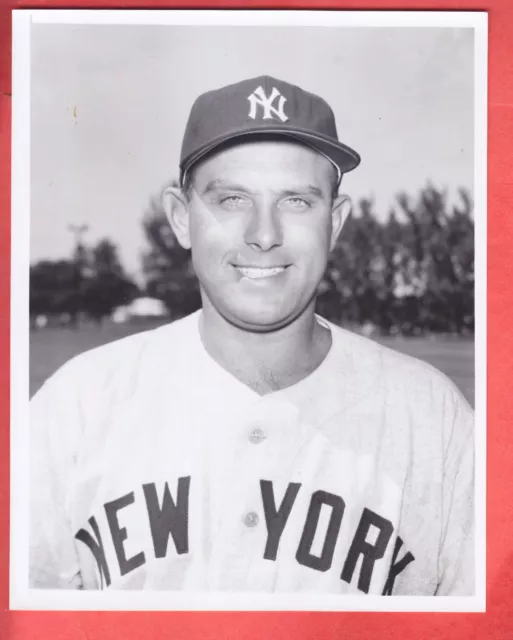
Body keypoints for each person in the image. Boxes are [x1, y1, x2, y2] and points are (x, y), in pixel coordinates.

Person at [29, 75, 474, 595]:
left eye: (297, 201)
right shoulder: (76, 405)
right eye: (233, 199)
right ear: (180, 219)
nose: (264, 235)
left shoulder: (434, 418)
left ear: (335, 222)